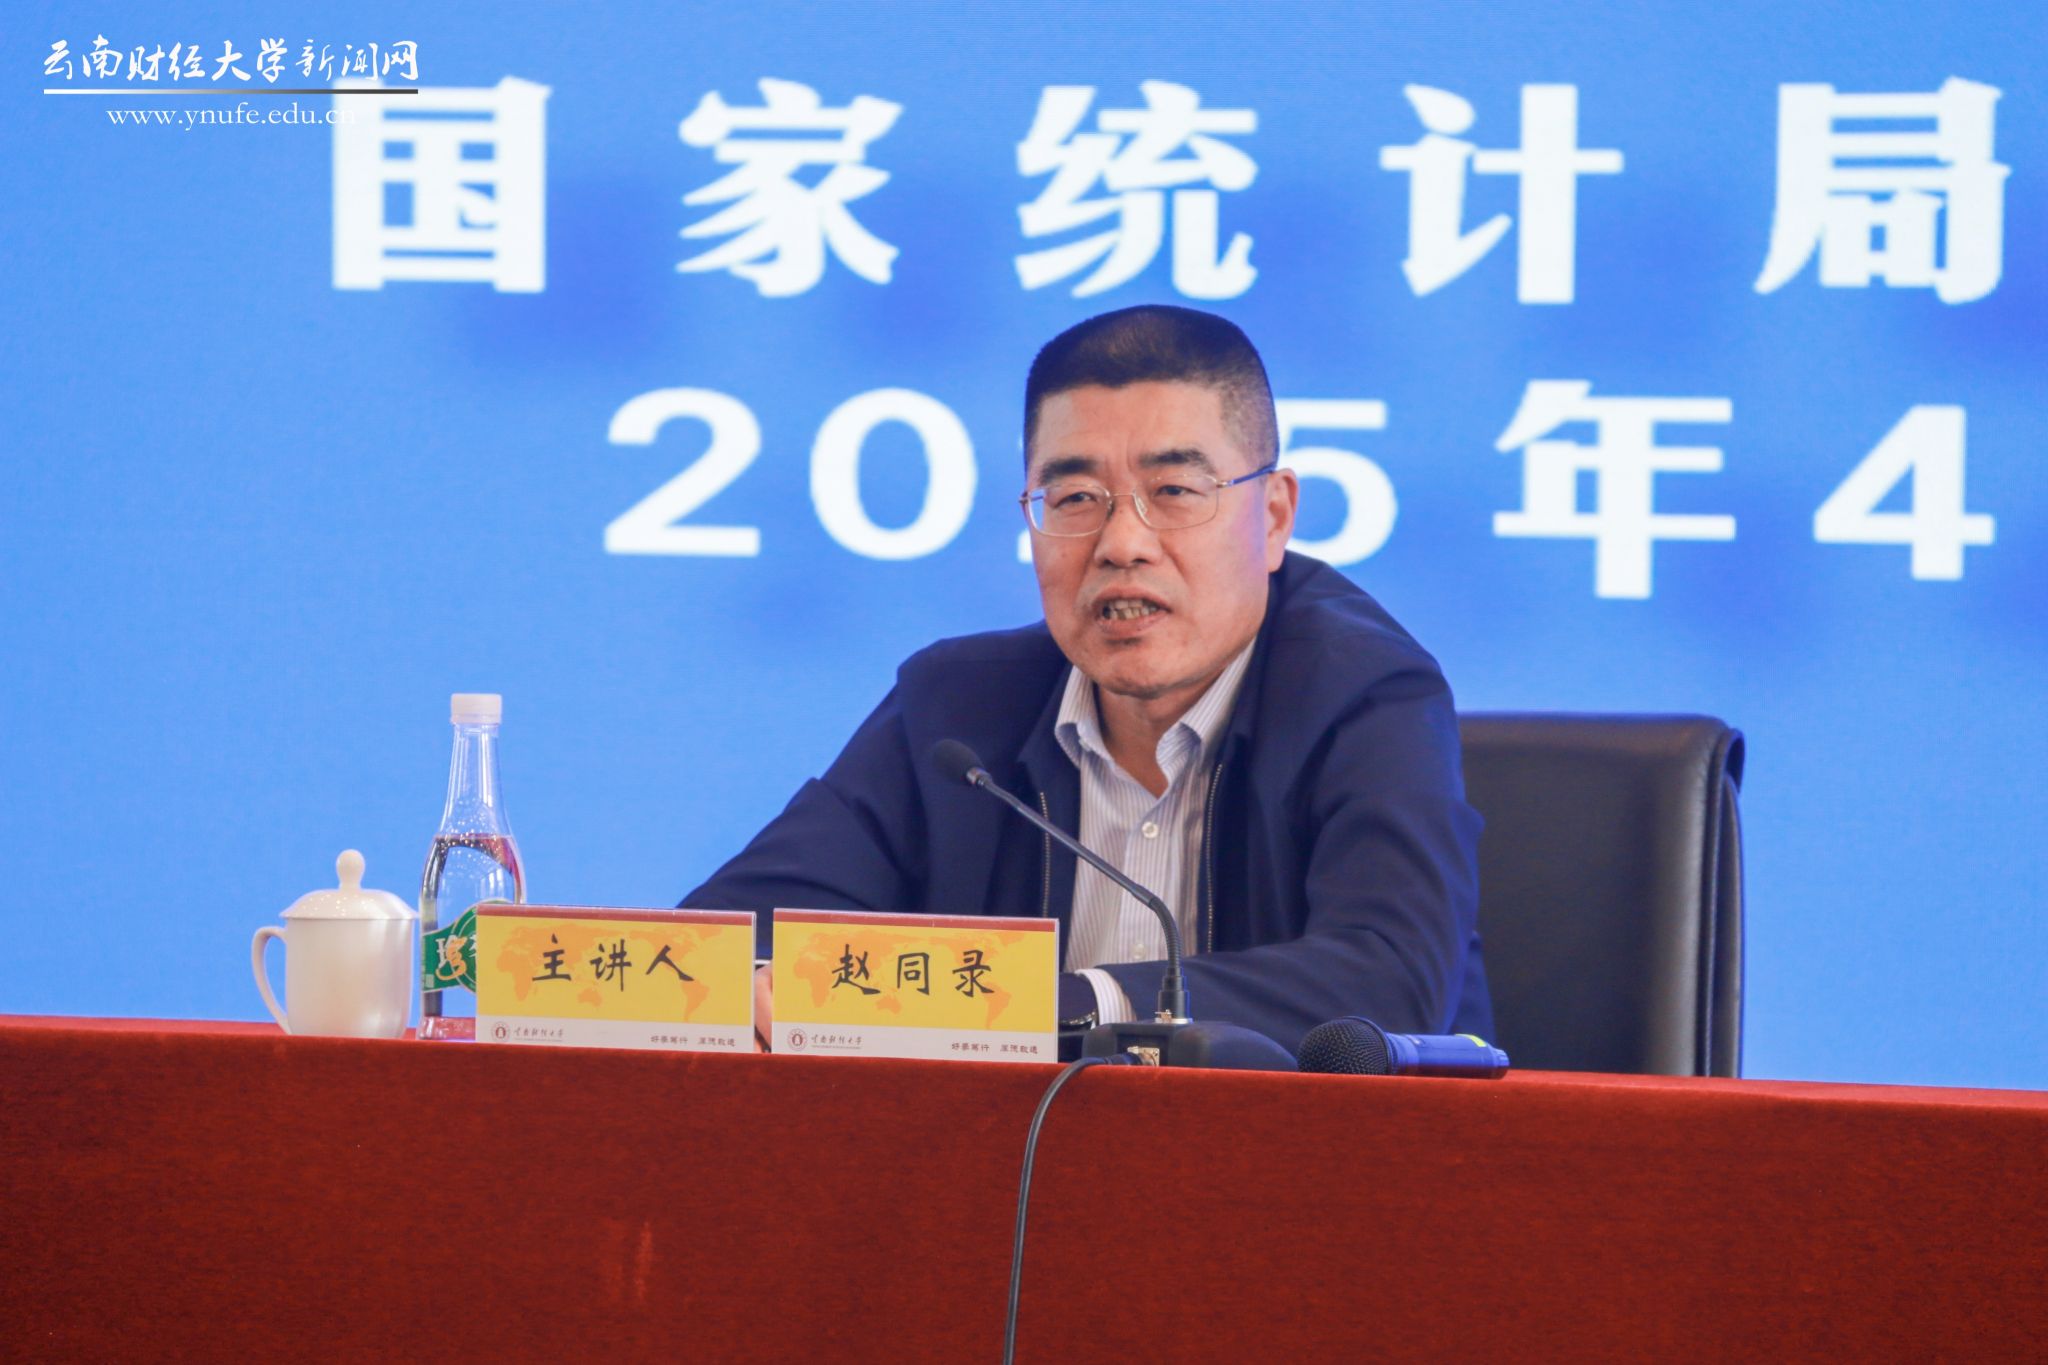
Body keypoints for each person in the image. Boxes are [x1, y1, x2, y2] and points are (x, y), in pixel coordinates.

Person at [683, 304, 1490, 1052]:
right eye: (1074, 497)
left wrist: (1071, 1002)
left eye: (1174, 491)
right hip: (1011, 1158)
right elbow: (718, 940)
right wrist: (760, 981)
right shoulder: (955, 711)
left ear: (1274, 516)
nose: (1122, 543)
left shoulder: (1364, 693)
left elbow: (1390, 981)